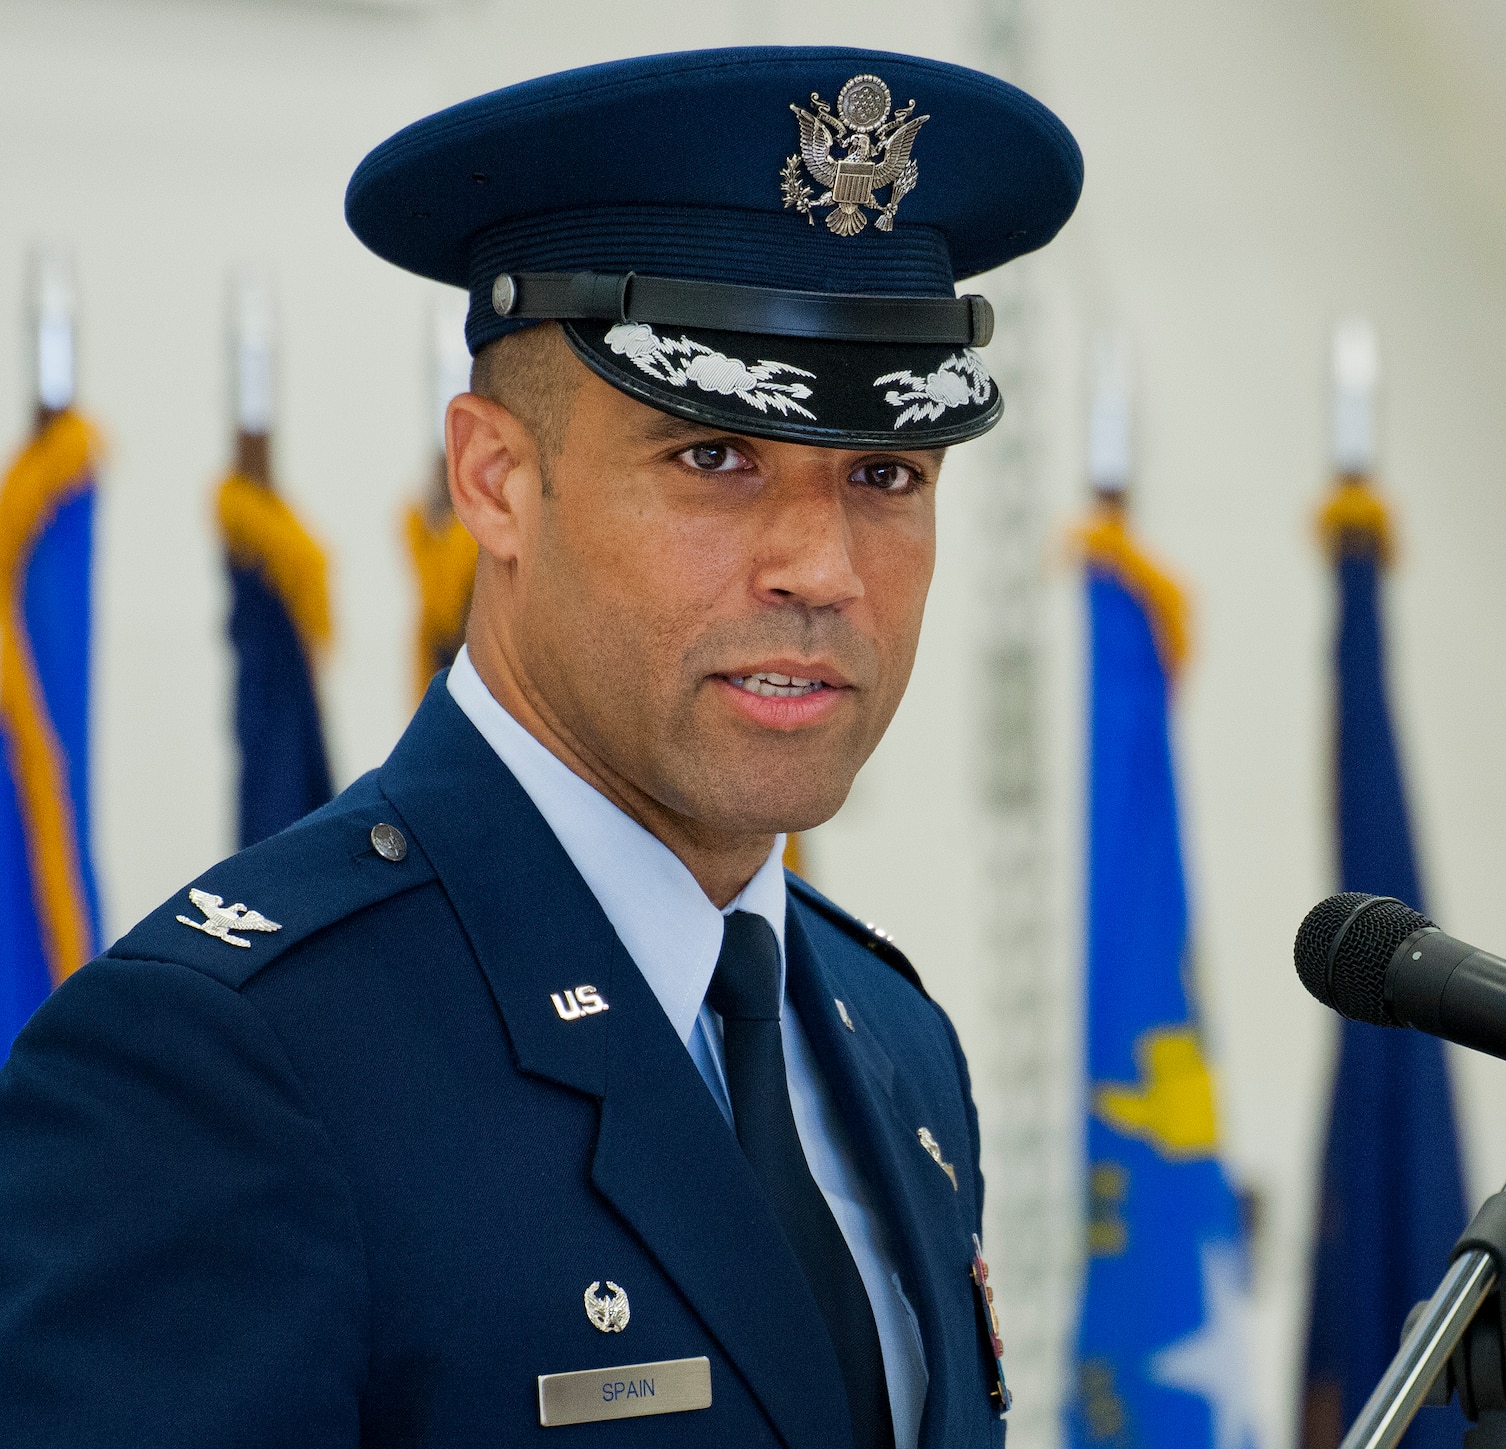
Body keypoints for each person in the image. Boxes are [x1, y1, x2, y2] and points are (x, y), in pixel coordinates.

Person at [0, 47, 1081, 1448]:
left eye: (885, 476)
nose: (823, 566)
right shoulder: (230, 1063)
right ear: (494, 482)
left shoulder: (892, 1041)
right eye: (714, 457)